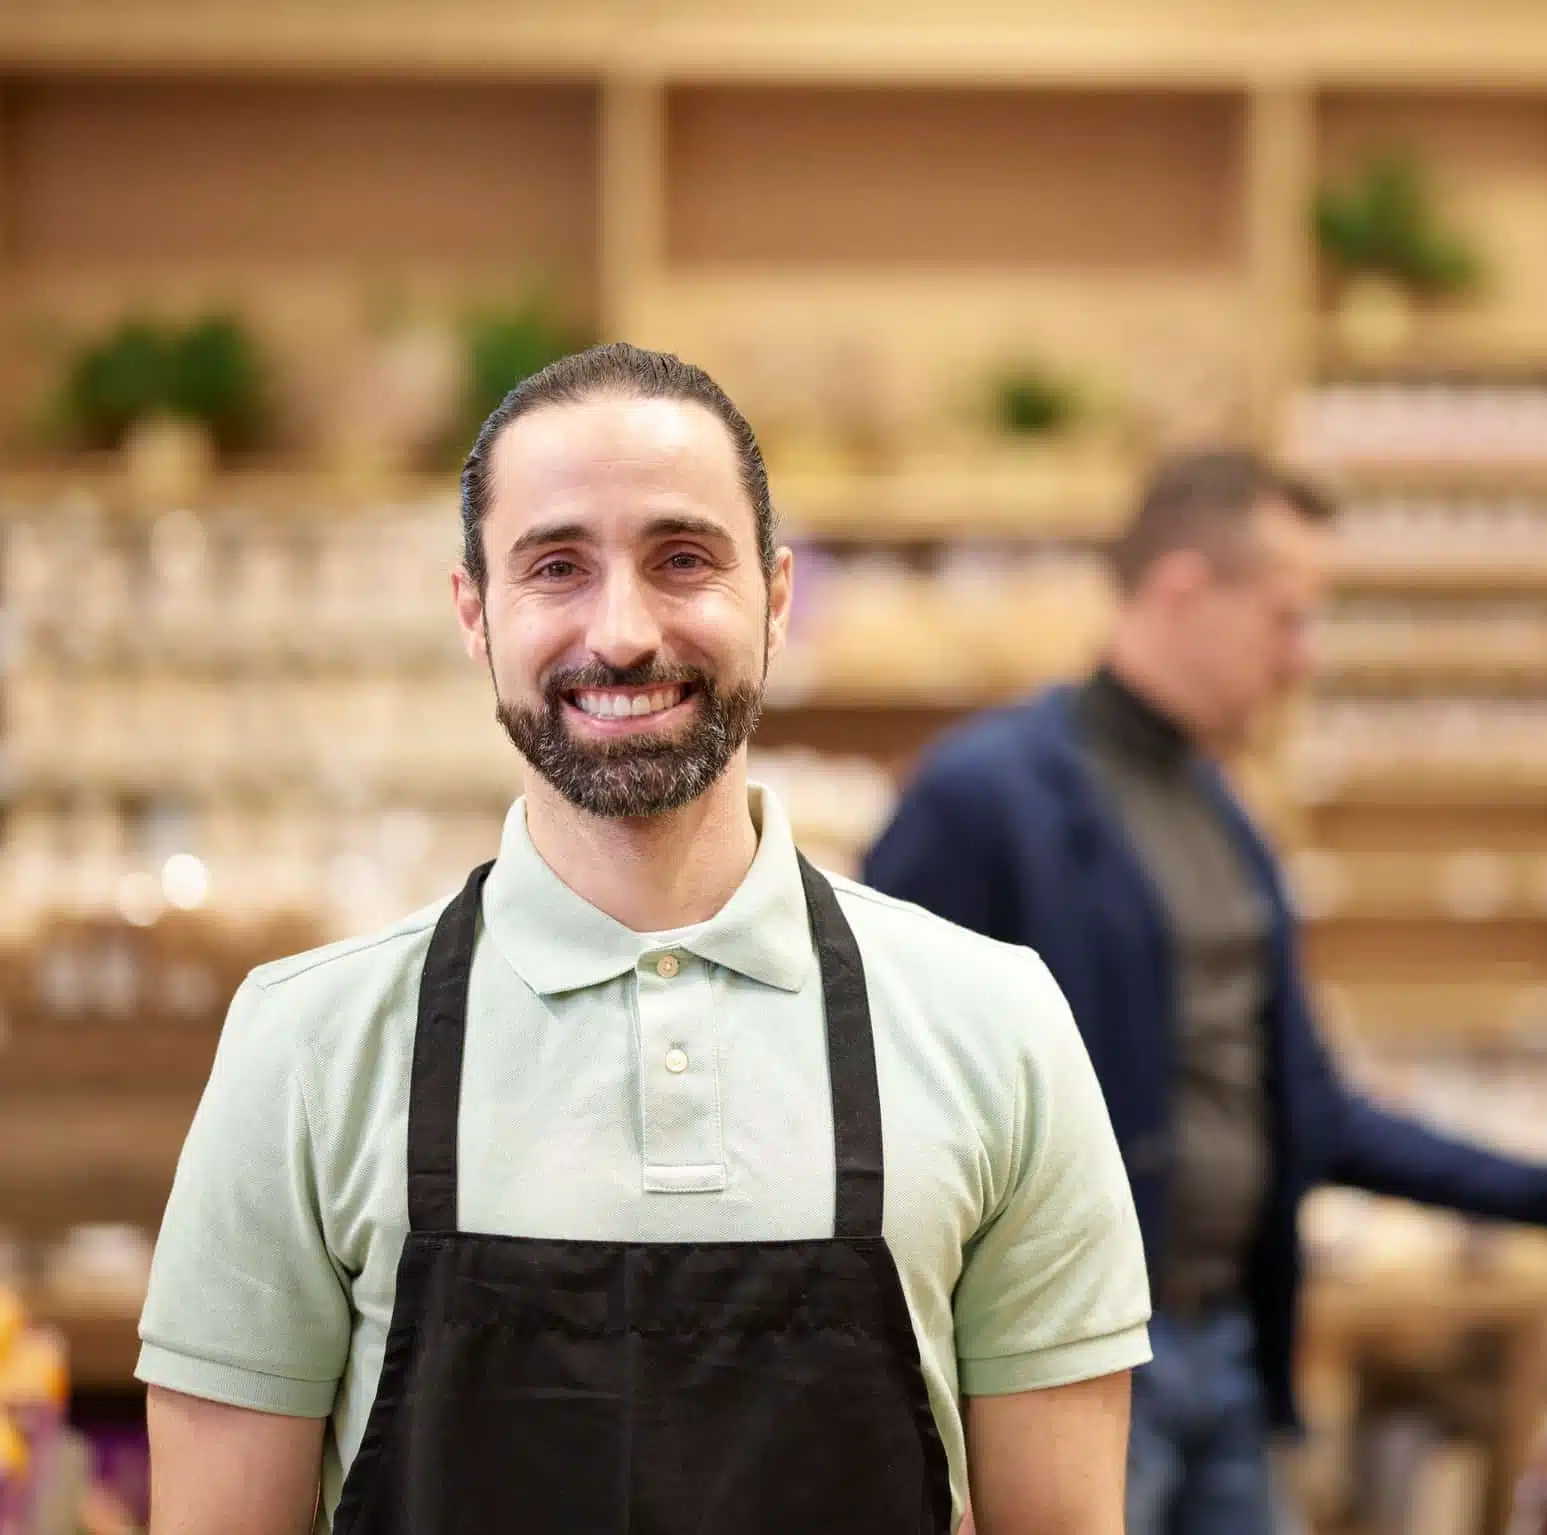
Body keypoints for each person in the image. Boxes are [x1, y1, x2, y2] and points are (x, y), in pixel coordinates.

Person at [136, 344, 1151, 1535]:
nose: (620, 633)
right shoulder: (305, 1045)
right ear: (475, 613)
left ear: (775, 595)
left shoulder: (997, 1025)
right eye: (555, 567)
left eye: (682, 561)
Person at [862, 449, 1547, 1535]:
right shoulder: (981, 796)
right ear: (1183, 587)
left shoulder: (1222, 812)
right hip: (1062, 1365)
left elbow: (1310, 1106)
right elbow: (874, 1089)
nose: (1302, 659)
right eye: (1286, 618)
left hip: (1226, 1351)